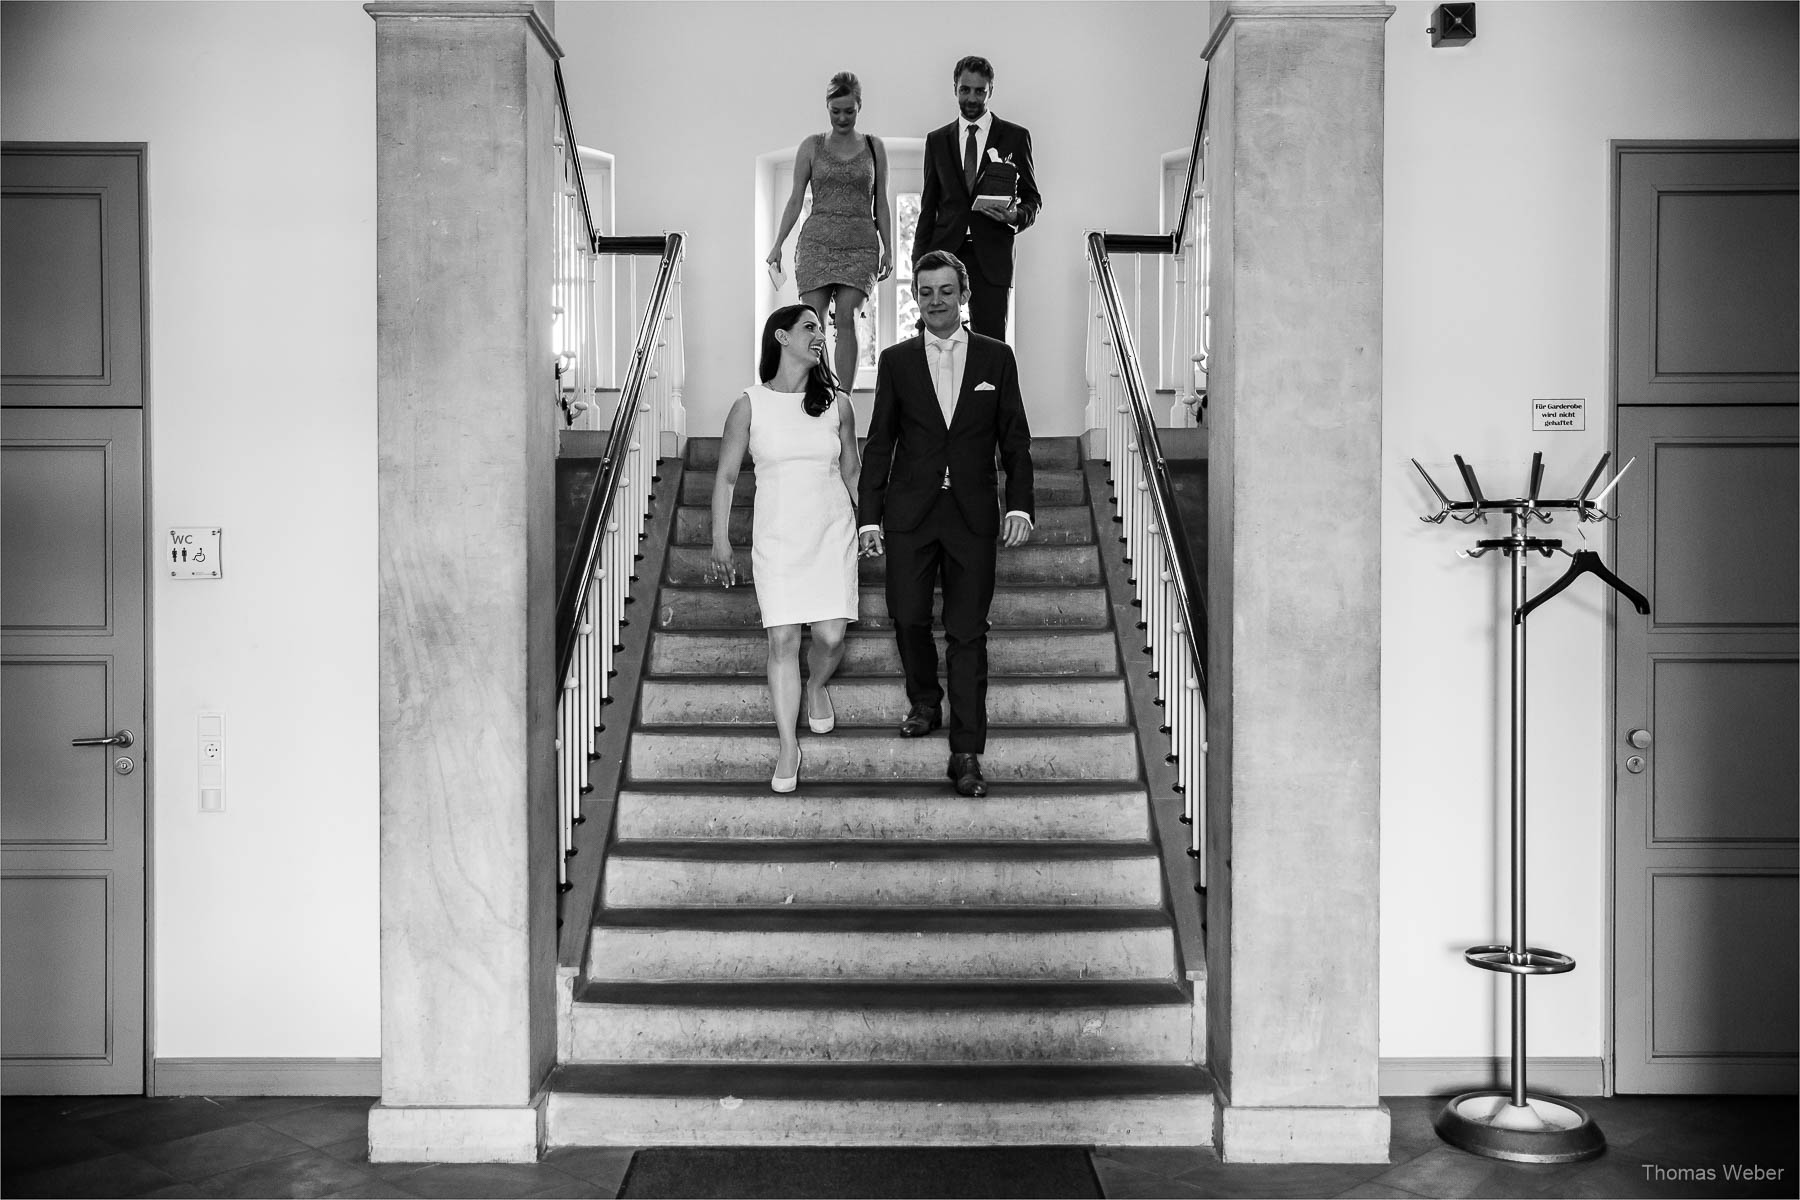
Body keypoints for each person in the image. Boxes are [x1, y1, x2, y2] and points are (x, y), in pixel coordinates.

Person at [856, 251, 1034, 798]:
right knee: (907, 615)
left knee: (966, 633)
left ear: (963, 295)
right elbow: (881, 442)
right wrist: (868, 518)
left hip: (973, 517)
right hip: (910, 513)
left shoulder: (996, 358)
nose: (936, 300)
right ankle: (926, 701)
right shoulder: (896, 360)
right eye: (926, 291)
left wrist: (1019, 506)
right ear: (917, 297)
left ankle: (965, 753)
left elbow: (1015, 440)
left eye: (945, 290)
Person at [709, 305, 862, 793]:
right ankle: (787, 745)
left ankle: (816, 684)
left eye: (821, 329)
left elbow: (853, 472)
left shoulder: (838, 404)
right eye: (810, 327)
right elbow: (728, 476)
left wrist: (871, 525)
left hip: (830, 530)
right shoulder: (749, 404)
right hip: (776, 536)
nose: (820, 336)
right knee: (781, 642)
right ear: (781, 337)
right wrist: (719, 538)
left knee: (832, 635)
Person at [766, 72, 894, 391]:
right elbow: (796, 199)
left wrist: (889, 248)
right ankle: (816, 391)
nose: (842, 117)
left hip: (860, 245)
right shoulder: (811, 146)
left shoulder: (874, 146)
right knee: (812, 321)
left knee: (847, 317)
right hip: (816, 245)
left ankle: (843, 399)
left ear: (859, 107)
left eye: (849, 111)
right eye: (835, 111)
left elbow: (882, 203)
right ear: (827, 107)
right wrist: (778, 243)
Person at [912, 55, 1041, 341]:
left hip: (992, 256)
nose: (972, 97)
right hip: (943, 252)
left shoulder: (1015, 137)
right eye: (965, 89)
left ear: (990, 90)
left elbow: (1033, 199)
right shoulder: (936, 140)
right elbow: (928, 207)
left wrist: (1015, 216)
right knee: (931, 339)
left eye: (979, 91)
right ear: (955, 88)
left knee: (991, 342)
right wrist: (917, 265)